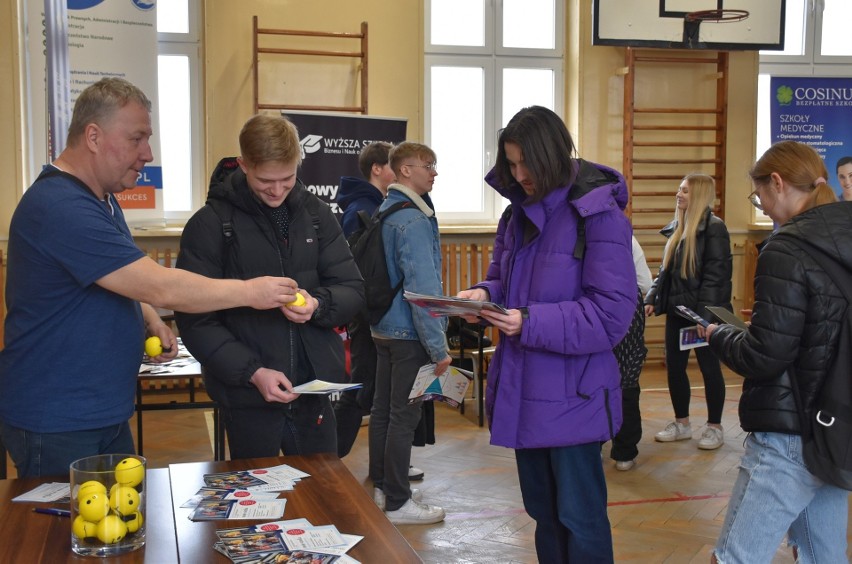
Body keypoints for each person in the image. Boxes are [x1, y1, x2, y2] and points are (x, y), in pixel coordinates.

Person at [0, 78, 299, 478]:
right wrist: (250, 291)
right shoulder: (60, 206)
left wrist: (148, 318)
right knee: (63, 538)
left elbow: (117, 279)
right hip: (58, 419)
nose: (148, 154)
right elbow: (160, 285)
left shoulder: (101, 200)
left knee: (118, 527)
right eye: (137, 139)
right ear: (93, 136)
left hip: (100, 411)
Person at [457, 106, 636, 562]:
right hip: (525, 389)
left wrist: (528, 321)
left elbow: (611, 314)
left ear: (552, 154)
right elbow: (504, 280)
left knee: (581, 517)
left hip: (574, 396)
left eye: (525, 163)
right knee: (544, 513)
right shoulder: (515, 214)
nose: (519, 175)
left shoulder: (598, 216)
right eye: (511, 164)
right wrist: (482, 294)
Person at [175, 114, 364, 460]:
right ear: (244, 165)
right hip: (247, 397)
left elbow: (352, 288)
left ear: (299, 164)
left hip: (313, 392)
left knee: (323, 496)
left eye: (287, 179)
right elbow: (196, 320)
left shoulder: (318, 215)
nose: (277, 190)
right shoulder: (211, 224)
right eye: (265, 181)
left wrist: (317, 305)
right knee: (258, 498)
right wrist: (253, 372)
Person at [705, 141, 850, 563]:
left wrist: (718, 335)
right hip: (837, 425)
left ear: (778, 183)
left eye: (759, 196)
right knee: (826, 557)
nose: (762, 207)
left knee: (734, 557)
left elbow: (766, 355)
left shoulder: (786, 249)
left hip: (789, 434)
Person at [334, 142, 428, 483]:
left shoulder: (383, 207)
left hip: (381, 316)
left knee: (380, 401)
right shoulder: (365, 208)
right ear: (379, 169)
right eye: (391, 164)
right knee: (369, 396)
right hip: (377, 316)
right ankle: (331, 457)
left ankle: (388, 469)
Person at [368, 141, 449, 525]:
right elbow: (424, 292)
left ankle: (385, 487)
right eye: (428, 165)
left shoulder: (387, 209)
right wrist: (438, 347)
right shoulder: (414, 220)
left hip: (383, 328)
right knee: (404, 417)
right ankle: (399, 503)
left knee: (384, 412)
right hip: (408, 334)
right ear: (405, 170)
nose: (434, 172)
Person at [644, 173, 732, 450]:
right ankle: (682, 423)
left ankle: (714, 427)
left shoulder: (715, 228)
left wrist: (703, 318)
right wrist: (652, 297)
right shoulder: (677, 227)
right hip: (677, 312)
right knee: (675, 369)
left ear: (701, 196)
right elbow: (664, 273)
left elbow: (716, 278)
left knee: (709, 369)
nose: (679, 195)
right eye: (679, 190)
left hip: (703, 317)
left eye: (685, 191)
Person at [609, 236, 653, 471]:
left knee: (591, 381)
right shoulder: (627, 238)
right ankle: (624, 452)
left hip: (589, 308)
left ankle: (589, 446)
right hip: (626, 306)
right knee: (626, 381)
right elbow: (645, 283)